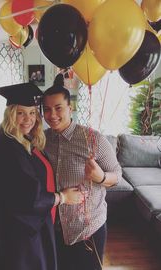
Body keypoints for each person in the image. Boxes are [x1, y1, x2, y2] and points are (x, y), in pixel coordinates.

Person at [0, 82, 83, 270]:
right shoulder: (7, 149)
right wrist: (63, 197)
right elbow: (29, 198)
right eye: (21, 113)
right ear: (11, 114)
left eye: (33, 112)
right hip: (20, 234)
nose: (28, 119)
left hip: (24, 229)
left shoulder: (20, 141)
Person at [42, 74, 122, 270]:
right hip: (54, 228)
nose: (52, 115)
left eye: (58, 108)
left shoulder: (93, 139)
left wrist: (101, 177)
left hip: (87, 230)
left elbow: (117, 175)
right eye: (47, 109)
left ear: (70, 108)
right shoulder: (42, 140)